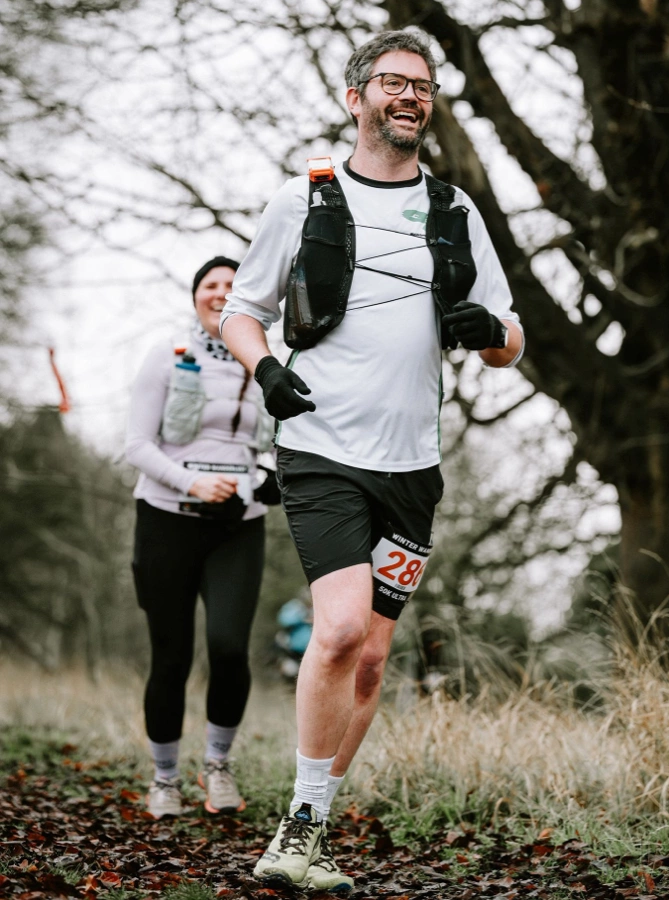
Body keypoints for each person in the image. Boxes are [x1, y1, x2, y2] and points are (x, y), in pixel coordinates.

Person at [221, 30, 524, 892]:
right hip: (319, 446)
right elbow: (242, 310)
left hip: (411, 466)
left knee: (372, 658)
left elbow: (509, 337)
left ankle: (306, 829)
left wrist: (488, 335)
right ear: (356, 99)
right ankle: (297, 834)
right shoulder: (303, 200)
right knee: (341, 627)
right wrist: (266, 368)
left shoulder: (453, 212)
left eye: (421, 88)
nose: (409, 97)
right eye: (392, 83)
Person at [126, 256, 275, 819]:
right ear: (195, 298)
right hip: (166, 520)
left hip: (239, 525)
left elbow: (284, 442)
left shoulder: (268, 361)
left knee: (231, 648)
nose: (221, 292)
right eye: (210, 285)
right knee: (171, 657)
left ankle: (217, 765)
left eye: (233, 285)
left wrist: (270, 478)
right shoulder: (167, 356)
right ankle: (165, 778)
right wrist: (193, 481)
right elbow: (136, 446)